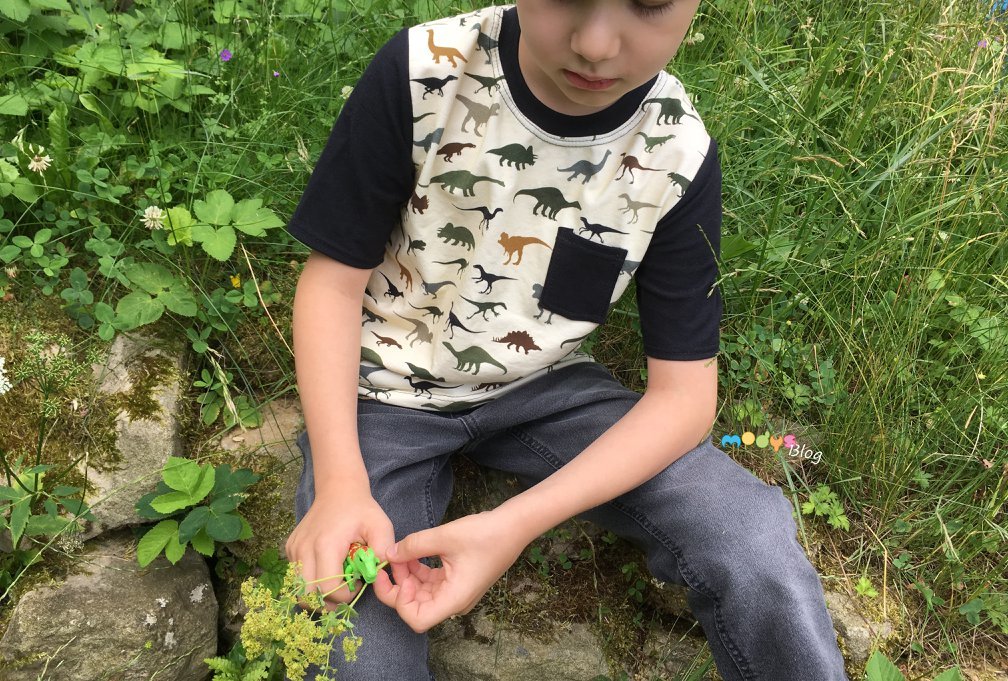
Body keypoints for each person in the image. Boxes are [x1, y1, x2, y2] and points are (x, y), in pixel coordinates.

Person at [284, 1, 849, 679]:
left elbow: (684, 397)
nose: (596, 44)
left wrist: (514, 525)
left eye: (648, 2)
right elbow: (332, 286)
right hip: (382, 397)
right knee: (356, 649)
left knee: (748, 532)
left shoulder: (677, 152)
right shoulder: (422, 71)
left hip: (549, 390)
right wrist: (340, 483)